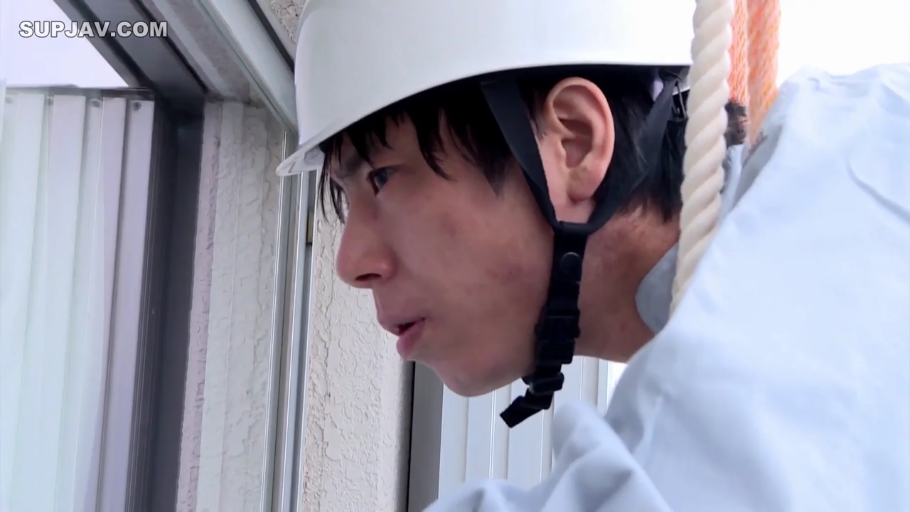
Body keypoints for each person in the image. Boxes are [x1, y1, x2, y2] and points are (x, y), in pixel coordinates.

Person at [278, 0, 910, 510]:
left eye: (383, 177)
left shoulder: (843, 235)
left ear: (574, 142)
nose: (350, 263)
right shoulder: (861, 150)